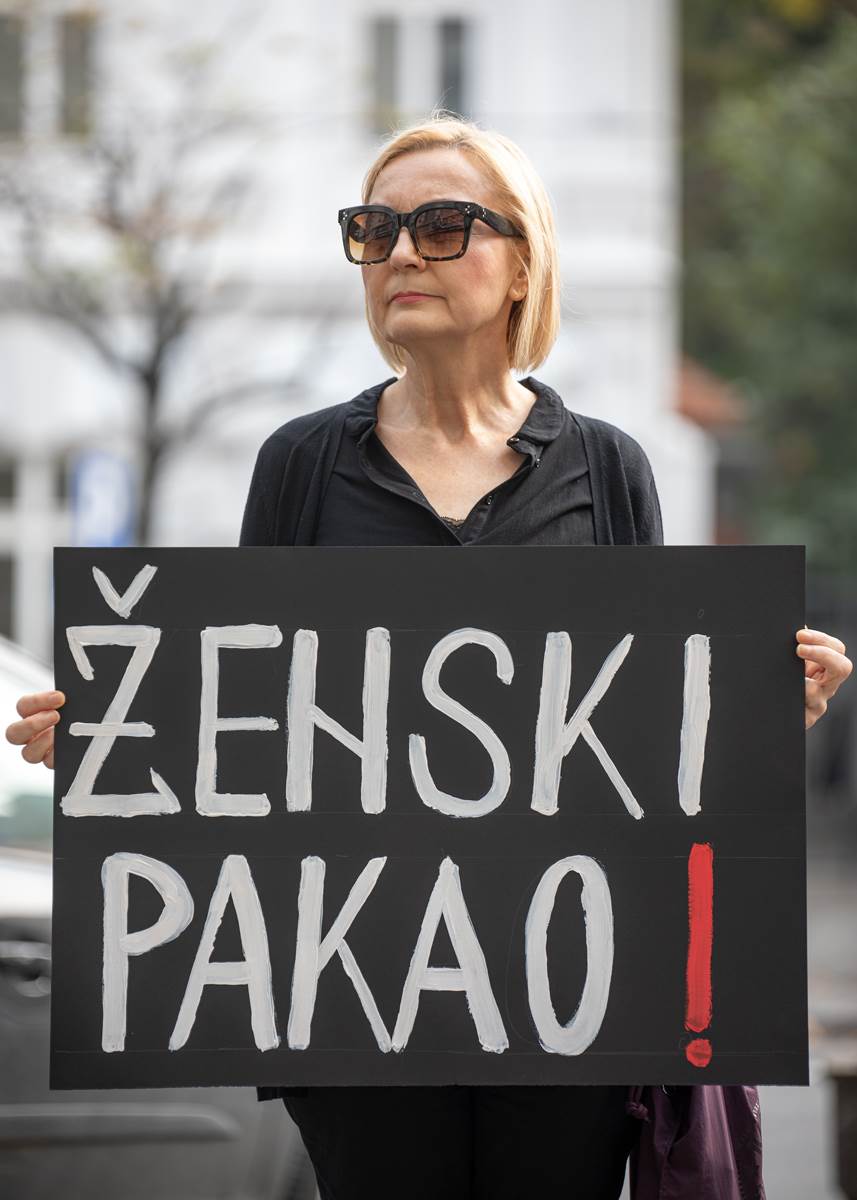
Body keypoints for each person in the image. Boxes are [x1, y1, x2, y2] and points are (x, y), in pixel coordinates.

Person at [6, 114, 852, 1200]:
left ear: (519, 266)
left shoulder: (606, 467)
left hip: (566, 1000)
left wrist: (751, 714)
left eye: (443, 224)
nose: (401, 250)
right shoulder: (302, 465)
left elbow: (644, 738)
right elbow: (255, 723)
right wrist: (122, 738)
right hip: (356, 1001)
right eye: (375, 227)